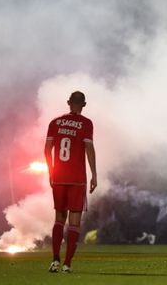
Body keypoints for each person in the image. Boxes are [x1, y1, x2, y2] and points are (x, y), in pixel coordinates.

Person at [44, 91, 97, 273]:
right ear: (83, 104)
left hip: (58, 177)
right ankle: (67, 264)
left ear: (68, 103)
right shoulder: (86, 123)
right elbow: (89, 148)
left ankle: (55, 260)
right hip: (77, 179)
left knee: (59, 218)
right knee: (74, 221)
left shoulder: (55, 122)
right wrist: (94, 174)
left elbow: (47, 149)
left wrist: (51, 171)